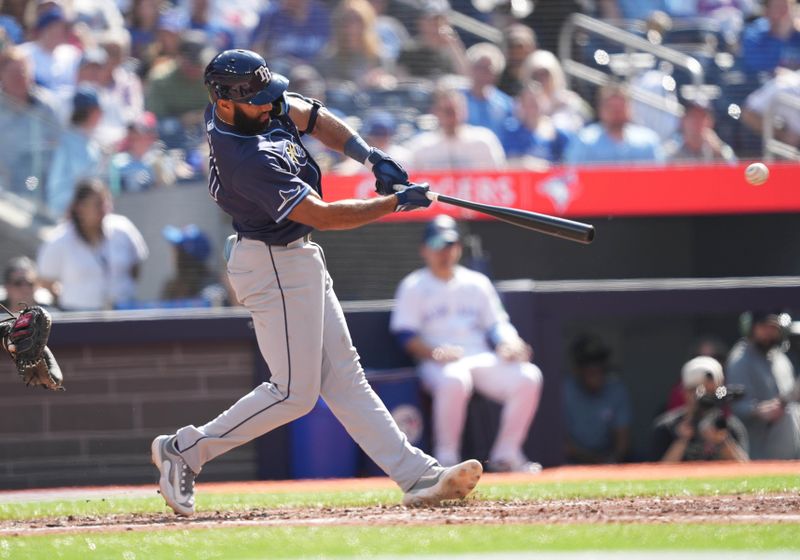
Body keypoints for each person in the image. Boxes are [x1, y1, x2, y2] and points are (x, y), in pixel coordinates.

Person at [150, 49, 482, 517]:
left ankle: (417, 475)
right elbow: (322, 216)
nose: (270, 106)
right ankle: (185, 451)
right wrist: (392, 203)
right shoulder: (246, 157)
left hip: (295, 258)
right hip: (271, 264)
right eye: (258, 101)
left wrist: (370, 156)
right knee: (293, 393)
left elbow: (310, 114)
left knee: (345, 377)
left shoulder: (244, 106)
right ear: (224, 102)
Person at [390, 215, 544, 472]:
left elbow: (497, 325)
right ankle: (446, 459)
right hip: (437, 362)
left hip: (478, 356)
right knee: (455, 379)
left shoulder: (477, 282)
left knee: (528, 376)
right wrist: (434, 352)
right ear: (424, 249)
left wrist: (510, 343)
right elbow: (405, 335)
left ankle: (506, 455)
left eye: (450, 245)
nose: (445, 252)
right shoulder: (414, 285)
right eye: (438, 245)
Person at [37, 178, 149, 311]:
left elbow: (136, 266)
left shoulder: (123, 229)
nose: (104, 208)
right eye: (97, 204)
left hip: (122, 312)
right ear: (80, 207)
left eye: (106, 202)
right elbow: (45, 280)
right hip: (78, 316)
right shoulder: (59, 240)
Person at [726, 311, 800, 460]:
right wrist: (758, 410)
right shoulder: (740, 360)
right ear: (751, 328)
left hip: (786, 438)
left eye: (773, 327)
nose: (768, 332)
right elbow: (734, 405)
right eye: (763, 326)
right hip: (756, 443)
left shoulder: (781, 359)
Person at [652, 356, 749, 462]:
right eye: (697, 391)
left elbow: (746, 471)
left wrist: (722, 442)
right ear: (684, 391)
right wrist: (682, 440)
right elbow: (656, 473)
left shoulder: (729, 426)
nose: (706, 398)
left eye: (712, 392)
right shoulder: (667, 427)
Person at [0, 46, 61, 197]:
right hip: (5, 192)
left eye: (23, 72)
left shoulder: (47, 106)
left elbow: (58, 144)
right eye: (14, 74)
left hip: (41, 188)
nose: (20, 79)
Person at [563, 334, 632, 464]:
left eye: (600, 366)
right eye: (589, 367)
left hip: (608, 461)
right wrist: (595, 461)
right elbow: (563, 445)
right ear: (577, 369)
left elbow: (622, 443)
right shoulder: (565, 391)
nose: (596, 373)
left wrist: (611, 462)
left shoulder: (616, 389)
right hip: (572, 462)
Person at [404, 85, 506, 170]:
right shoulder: (421, 146)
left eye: (457, 110)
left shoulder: (484, 141)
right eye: (447, 111)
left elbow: (500, 176)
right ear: (436, 112)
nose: (454, 116)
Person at [564, 83, 664, 166]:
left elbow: (659, 177)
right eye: (611, 107)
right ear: (601, 109)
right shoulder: (585, 140)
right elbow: (574, 175)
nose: (616, 112)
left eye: (620, 107)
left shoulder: (648, 141)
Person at [45, 85, 106, 217]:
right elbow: (56, 186)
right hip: (68, 216)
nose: (101, 115)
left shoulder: (90, 143)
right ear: (90, 112)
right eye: (98, 110)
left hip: (86, 215)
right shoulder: (65, 142)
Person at [500, 81, 571, 168]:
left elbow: (567, 162)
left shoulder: (557, 134)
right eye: (529, 103)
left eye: (536, 102)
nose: (533, 107)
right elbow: (506, 162)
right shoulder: (511, 132)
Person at [396, 0, 468, 80]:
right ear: (420, 23)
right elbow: (401, 81)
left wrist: (453, 44)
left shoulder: (451, 50)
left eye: (441, 21)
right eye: (432, 21)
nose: (436, 26)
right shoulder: (409, 50)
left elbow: (467, 79)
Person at [161, 224, 228, 307]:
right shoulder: (172, 287)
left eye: (178, 251)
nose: (173, 256)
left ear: (186, 259)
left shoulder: (212, 293)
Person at [462, 42, 515, 139]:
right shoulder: (458, 100)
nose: (482, 73)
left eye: (488, 69)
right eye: (479, 67)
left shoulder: (506, 104)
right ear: (470, 68)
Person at [664, 96, 737, 164]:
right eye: (693, 116)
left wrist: (719, 151)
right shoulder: (671, 152)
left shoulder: (718, 150)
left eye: (702, 117)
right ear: (683, 120)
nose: (697, 122)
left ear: (711, 122)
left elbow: (734, 171)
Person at [740, 0, 800, 74]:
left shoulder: (797, 33)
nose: (784, 12)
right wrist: (781, 36)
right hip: (765, 83)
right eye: (778, 7)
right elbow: (756, 66)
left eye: (786, 7)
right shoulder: (754, 34)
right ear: (766, 12)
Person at [497, 24, 537, 98]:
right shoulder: (495, 79)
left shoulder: (541, 78)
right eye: (512, 46)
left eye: (523, 47)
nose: (517, 52)